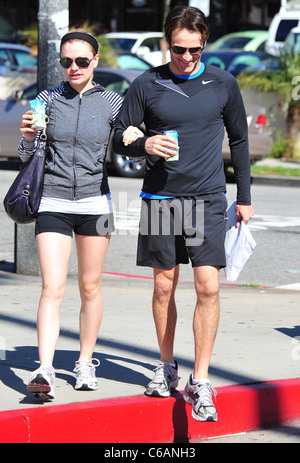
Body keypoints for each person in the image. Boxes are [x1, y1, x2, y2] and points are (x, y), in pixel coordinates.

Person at [113, 7, 254, 422]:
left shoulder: (223, 83)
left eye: (194, 50)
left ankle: (202, 378)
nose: (187, 58)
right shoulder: (147, 83)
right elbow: (121, 136)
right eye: (178, 49)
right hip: (160, 198)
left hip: (208, 198)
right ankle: (166, 365)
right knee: (163, 287)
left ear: (204, 44)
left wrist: (243, 196)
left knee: (208, 287)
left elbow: (240, 141)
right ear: (166, 42)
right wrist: (144, 145)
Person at [19, 29, 142, 400]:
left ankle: (86, 361)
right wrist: (27, 137)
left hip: (96, 203)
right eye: (66, 61)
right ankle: (45, 367)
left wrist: (136, 136)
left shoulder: (112, 103)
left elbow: (131, 146)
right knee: (52, 288)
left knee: (90, 287)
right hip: (53, 201)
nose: (74, 68)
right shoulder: (46, 99)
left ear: (96, 61)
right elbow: (28, 155)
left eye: (82, 61)